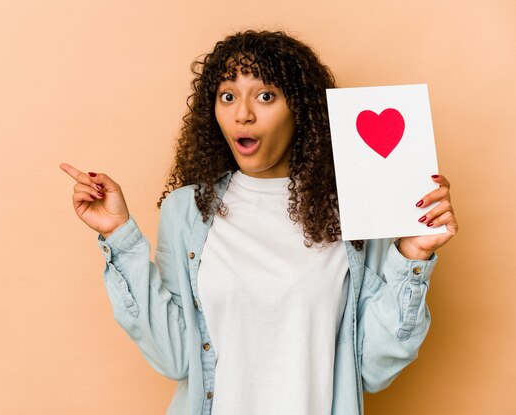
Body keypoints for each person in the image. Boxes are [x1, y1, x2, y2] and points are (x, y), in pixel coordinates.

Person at [59, 30, 458, 415]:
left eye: (265, 96)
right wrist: (119, 235)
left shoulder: (352, 212)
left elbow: (371, 369)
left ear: (300, 109)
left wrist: (412, 254)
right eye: (227, 96)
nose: (242, 114)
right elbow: (175, 358)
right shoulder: (186, 211)